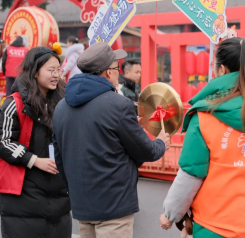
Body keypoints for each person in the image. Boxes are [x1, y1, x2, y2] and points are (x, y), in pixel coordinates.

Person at [159, 37, 245, 238]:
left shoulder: (204, 116)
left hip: (216, 228)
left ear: (222, 70)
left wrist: (170, 214)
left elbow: (191, 175)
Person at [53, 42, 171, 238]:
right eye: (117, 68)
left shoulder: (61, 107)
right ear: (108, 72)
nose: (118, 73)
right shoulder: (118, 105)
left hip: (82, 204)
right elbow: (145, 151)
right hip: (114, 205)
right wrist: (160, 143)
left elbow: (60, 156)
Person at [0, 45, 72, 238]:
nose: (56, 75)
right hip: (23, 193)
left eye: (58, 70)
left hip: (57, 191)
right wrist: (34, 160)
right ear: (35, 72)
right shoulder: (15, 103)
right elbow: (1, 140)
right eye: (50, 70)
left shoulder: (64, 102)